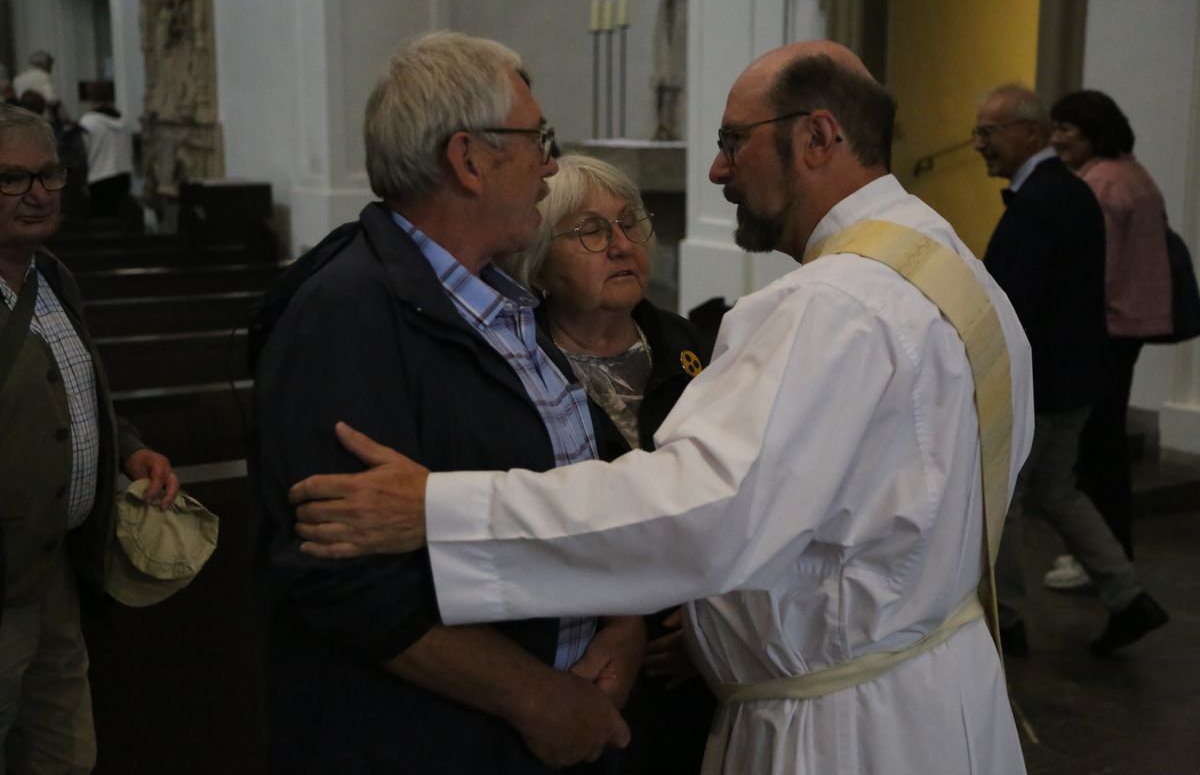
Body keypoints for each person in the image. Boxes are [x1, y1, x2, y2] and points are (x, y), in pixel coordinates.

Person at [288, 41, 1037, 775]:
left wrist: (437, 509)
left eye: (732, 142)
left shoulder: (830, 307)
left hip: (844, 733)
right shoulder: (952, 269)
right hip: (936, 687)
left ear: (816, 138)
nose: (716, 169)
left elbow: (704, 514)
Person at [250, 31, 637, 775]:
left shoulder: (502, 299)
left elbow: (587, 468)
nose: (550, 164)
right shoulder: (342, 315)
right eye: (538, 139)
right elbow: (344, 580)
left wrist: (621, 621)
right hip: (433, 741)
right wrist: (536, 698)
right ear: (468, 158)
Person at [503, 153, 716, 775]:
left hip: (692, 662)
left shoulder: (693, 349)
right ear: (539, 259)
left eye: (630, 224)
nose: (621, 246)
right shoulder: (518, 367)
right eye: (591, 232)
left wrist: (710, 626)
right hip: (576, 661)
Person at [0, 103, 177, 772]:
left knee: (63, 753)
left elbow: (74, 390)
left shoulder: (53, 277)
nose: (37, 192)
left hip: (57, 576)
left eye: (48, 173)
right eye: (11, 179)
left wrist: (128, 446)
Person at [974, 84, 1169, 657]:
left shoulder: (1041, 202)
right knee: (1058, 491)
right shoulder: (1068, 191)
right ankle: (1129, 597)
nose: (979, 144)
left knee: (1005, 501)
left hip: (1042, 385)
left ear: (1030, 132)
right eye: (978, 133)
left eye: (989, 132)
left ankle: (1006, 622)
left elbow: (1016, 307)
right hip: (1076, 375)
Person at [1048, 90, 1171, 578]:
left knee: (1095, 446)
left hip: (1109, 321)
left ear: (1093, 134)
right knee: (1106, 440)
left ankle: (1102, 558)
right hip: (1136, 320)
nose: (1057, 140)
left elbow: (1092, 266)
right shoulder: (1136, 174)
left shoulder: (1098, 184)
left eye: (1066, 131)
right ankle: (1109, 553)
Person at [78, 82, 134, 218]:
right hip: (123, 176)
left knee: (102, 223)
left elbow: (82, 154)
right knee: (121, 221)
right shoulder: (124, 121)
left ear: (90, 98)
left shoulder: (88, 122)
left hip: (99, 179)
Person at [12, 52, 66, 129]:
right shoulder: (43, 76)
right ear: (44, 64)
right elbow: (52, 99)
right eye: (50, 64)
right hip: (44, 118)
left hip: (24, 118)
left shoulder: (17, 79)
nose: (51, 68)